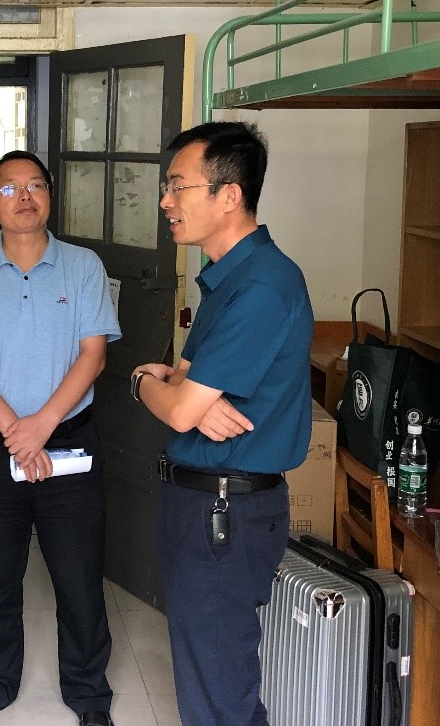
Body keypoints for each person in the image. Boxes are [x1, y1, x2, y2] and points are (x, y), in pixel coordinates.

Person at [130, 121, 313, 726]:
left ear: (229, 195)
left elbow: (178, 401)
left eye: (177, 186)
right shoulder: (226, 278)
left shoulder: (262, 286)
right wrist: (173, 391)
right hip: (203, 505)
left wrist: (142, 380)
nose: (166, 202)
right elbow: (183, 383)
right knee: (208, 674)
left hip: (225, 513)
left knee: (219, 687)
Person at [0, 150, 121, 726]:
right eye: (10, 188)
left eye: (36, 185)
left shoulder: (83, 266)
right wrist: (16, 434)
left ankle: (88, 693)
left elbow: (93, 355)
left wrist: (40, 427)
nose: (24, 196)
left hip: (69, 443)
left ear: (49, 196)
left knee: (79, 577)